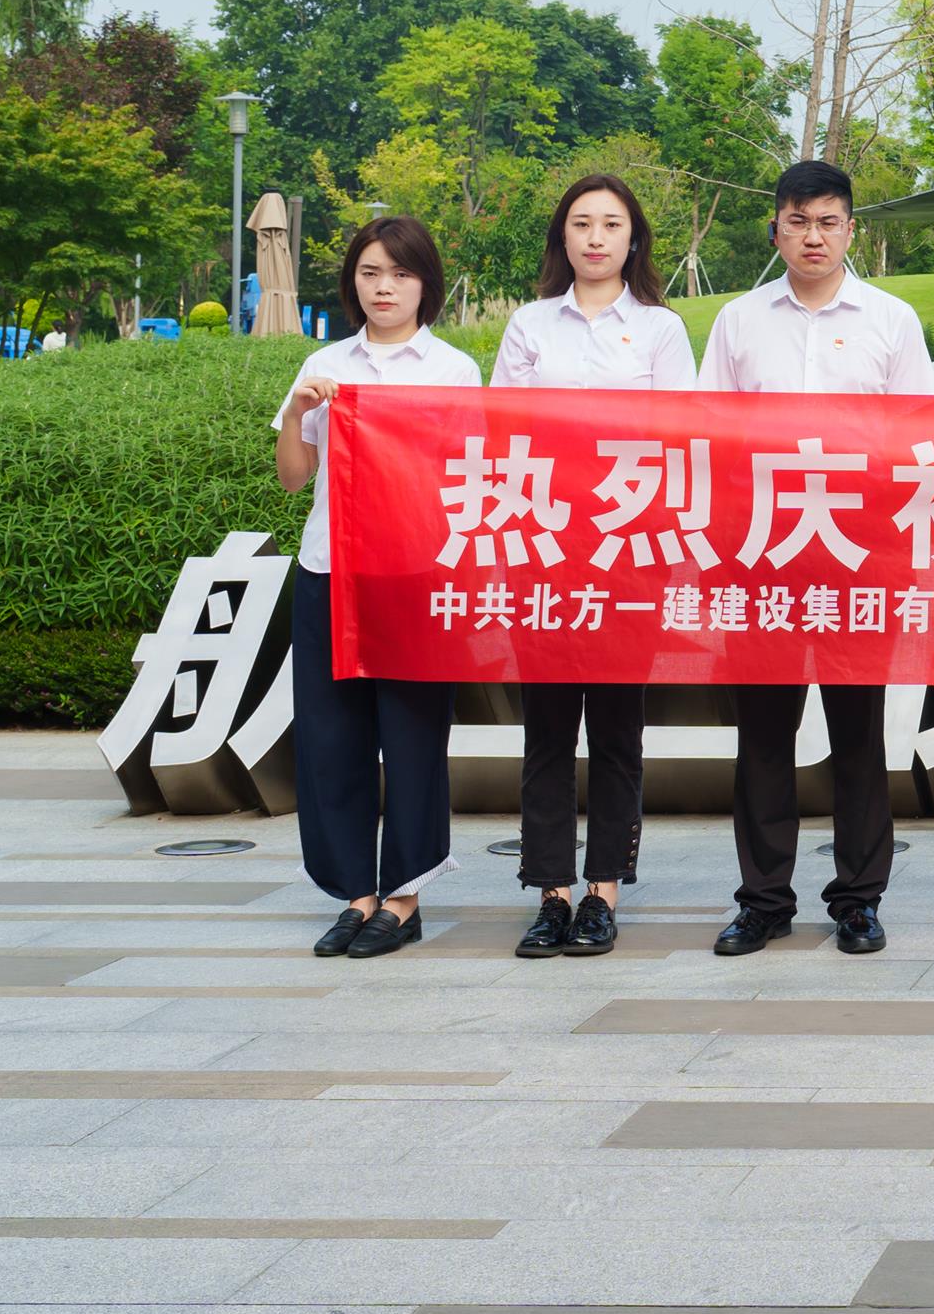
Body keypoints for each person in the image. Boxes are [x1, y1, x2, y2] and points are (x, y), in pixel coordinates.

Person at [695, 161, 934, 958]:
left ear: (851, 230)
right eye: (798, 221)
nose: (813, 236)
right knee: (764, 735)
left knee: (858, 733)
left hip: (858, 554)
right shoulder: (738, 321)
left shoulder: (891, 320)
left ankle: (858, 899)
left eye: (828, 221)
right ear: (776, 229)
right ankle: (762, 900)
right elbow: (708, 436)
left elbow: (920, 440)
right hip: (761, 555)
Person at [489, 172, 694, 961]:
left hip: (626, 552)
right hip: (544, 550)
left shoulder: (661, 330)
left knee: (615, 728)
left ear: (633, 238)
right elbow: (503, 431)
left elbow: (681, 438)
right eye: (582, 223)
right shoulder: (530, 323)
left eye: (611, 223)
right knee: (546, 729)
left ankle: (603, 890)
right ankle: (550, 892)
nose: (597, 237)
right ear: (562, 237)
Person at [271, 216, 481, 959]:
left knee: (414, 738)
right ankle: (355, 895)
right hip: (329, 571)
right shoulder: (324, 363)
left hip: (416, 576)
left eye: (400, 273)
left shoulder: (453, 370)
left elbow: (468, 476)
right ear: (352, 282)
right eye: (369, 273)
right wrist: (298, 412)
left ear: (426, 283)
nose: (383, 287)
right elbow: (293, 477)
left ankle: (403, 899)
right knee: (332, 738)